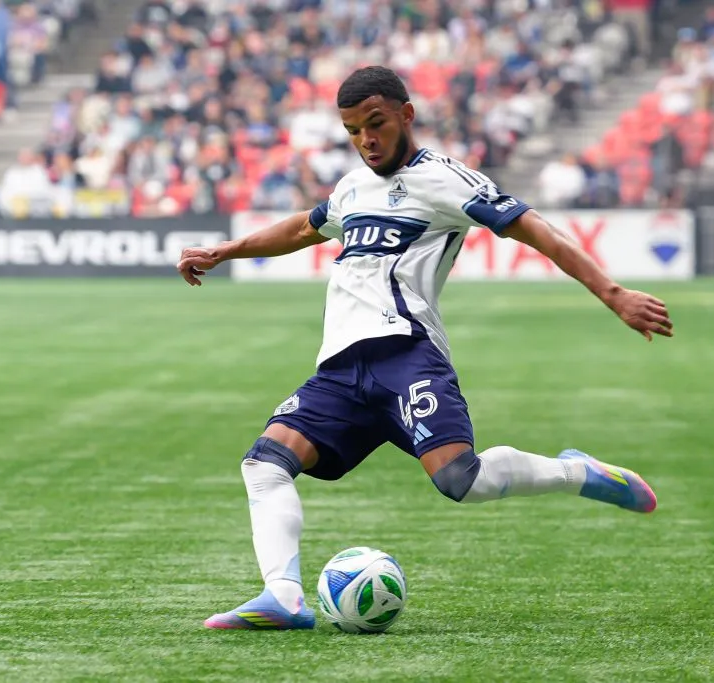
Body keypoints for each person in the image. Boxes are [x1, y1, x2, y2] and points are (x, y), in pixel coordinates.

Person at [176, 67, 674, 631]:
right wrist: (227, 250)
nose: (366, 139)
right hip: (341, 368)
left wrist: (612, 293)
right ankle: (283, 597)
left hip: (406, 352)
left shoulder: (445, 180)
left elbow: (535, 229)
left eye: (376, 124)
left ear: (406, 115)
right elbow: (301, 230)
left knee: (462, 480)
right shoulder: (351, 188)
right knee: (265, 463)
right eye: (353, 130)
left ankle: (576, 472)